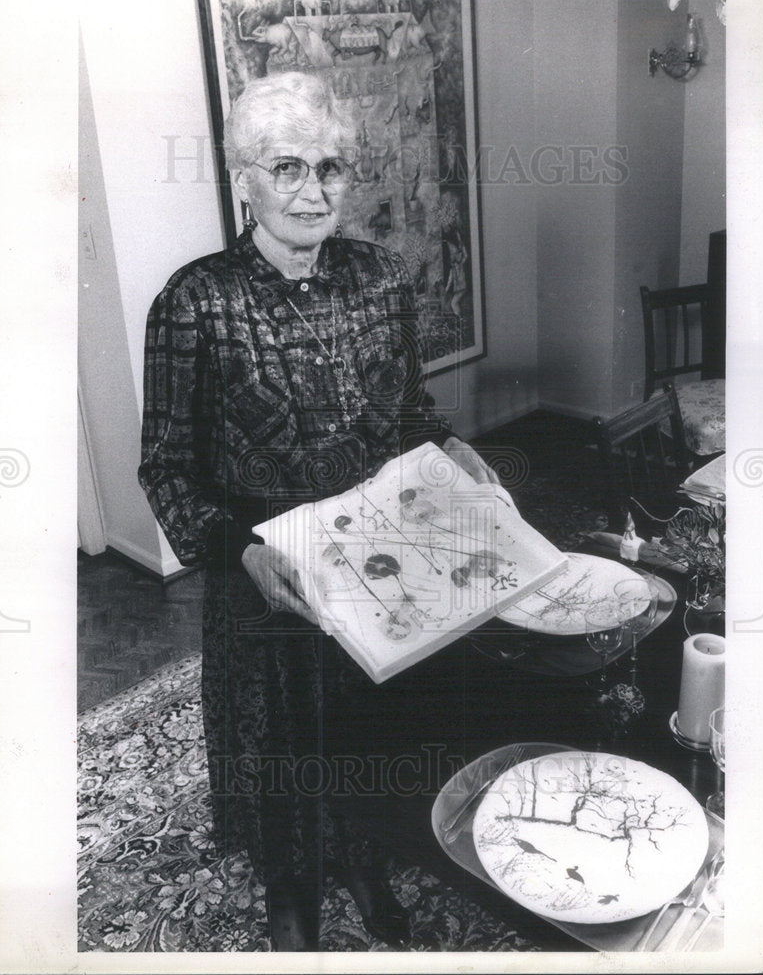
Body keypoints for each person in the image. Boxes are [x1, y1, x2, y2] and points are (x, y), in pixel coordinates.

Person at [139, 71, 499, 951]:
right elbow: (168, 469)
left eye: (331, 168)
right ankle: (291, 888)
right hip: (264, 574)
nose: (313, 190)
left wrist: (451, 451)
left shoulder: (380, 277)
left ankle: (367, 858)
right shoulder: (195, 302)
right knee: (286, 751)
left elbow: (411, 413)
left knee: (375, 731)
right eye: (287, 167)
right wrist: (241, 552)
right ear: (245, 179)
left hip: (376, 558)